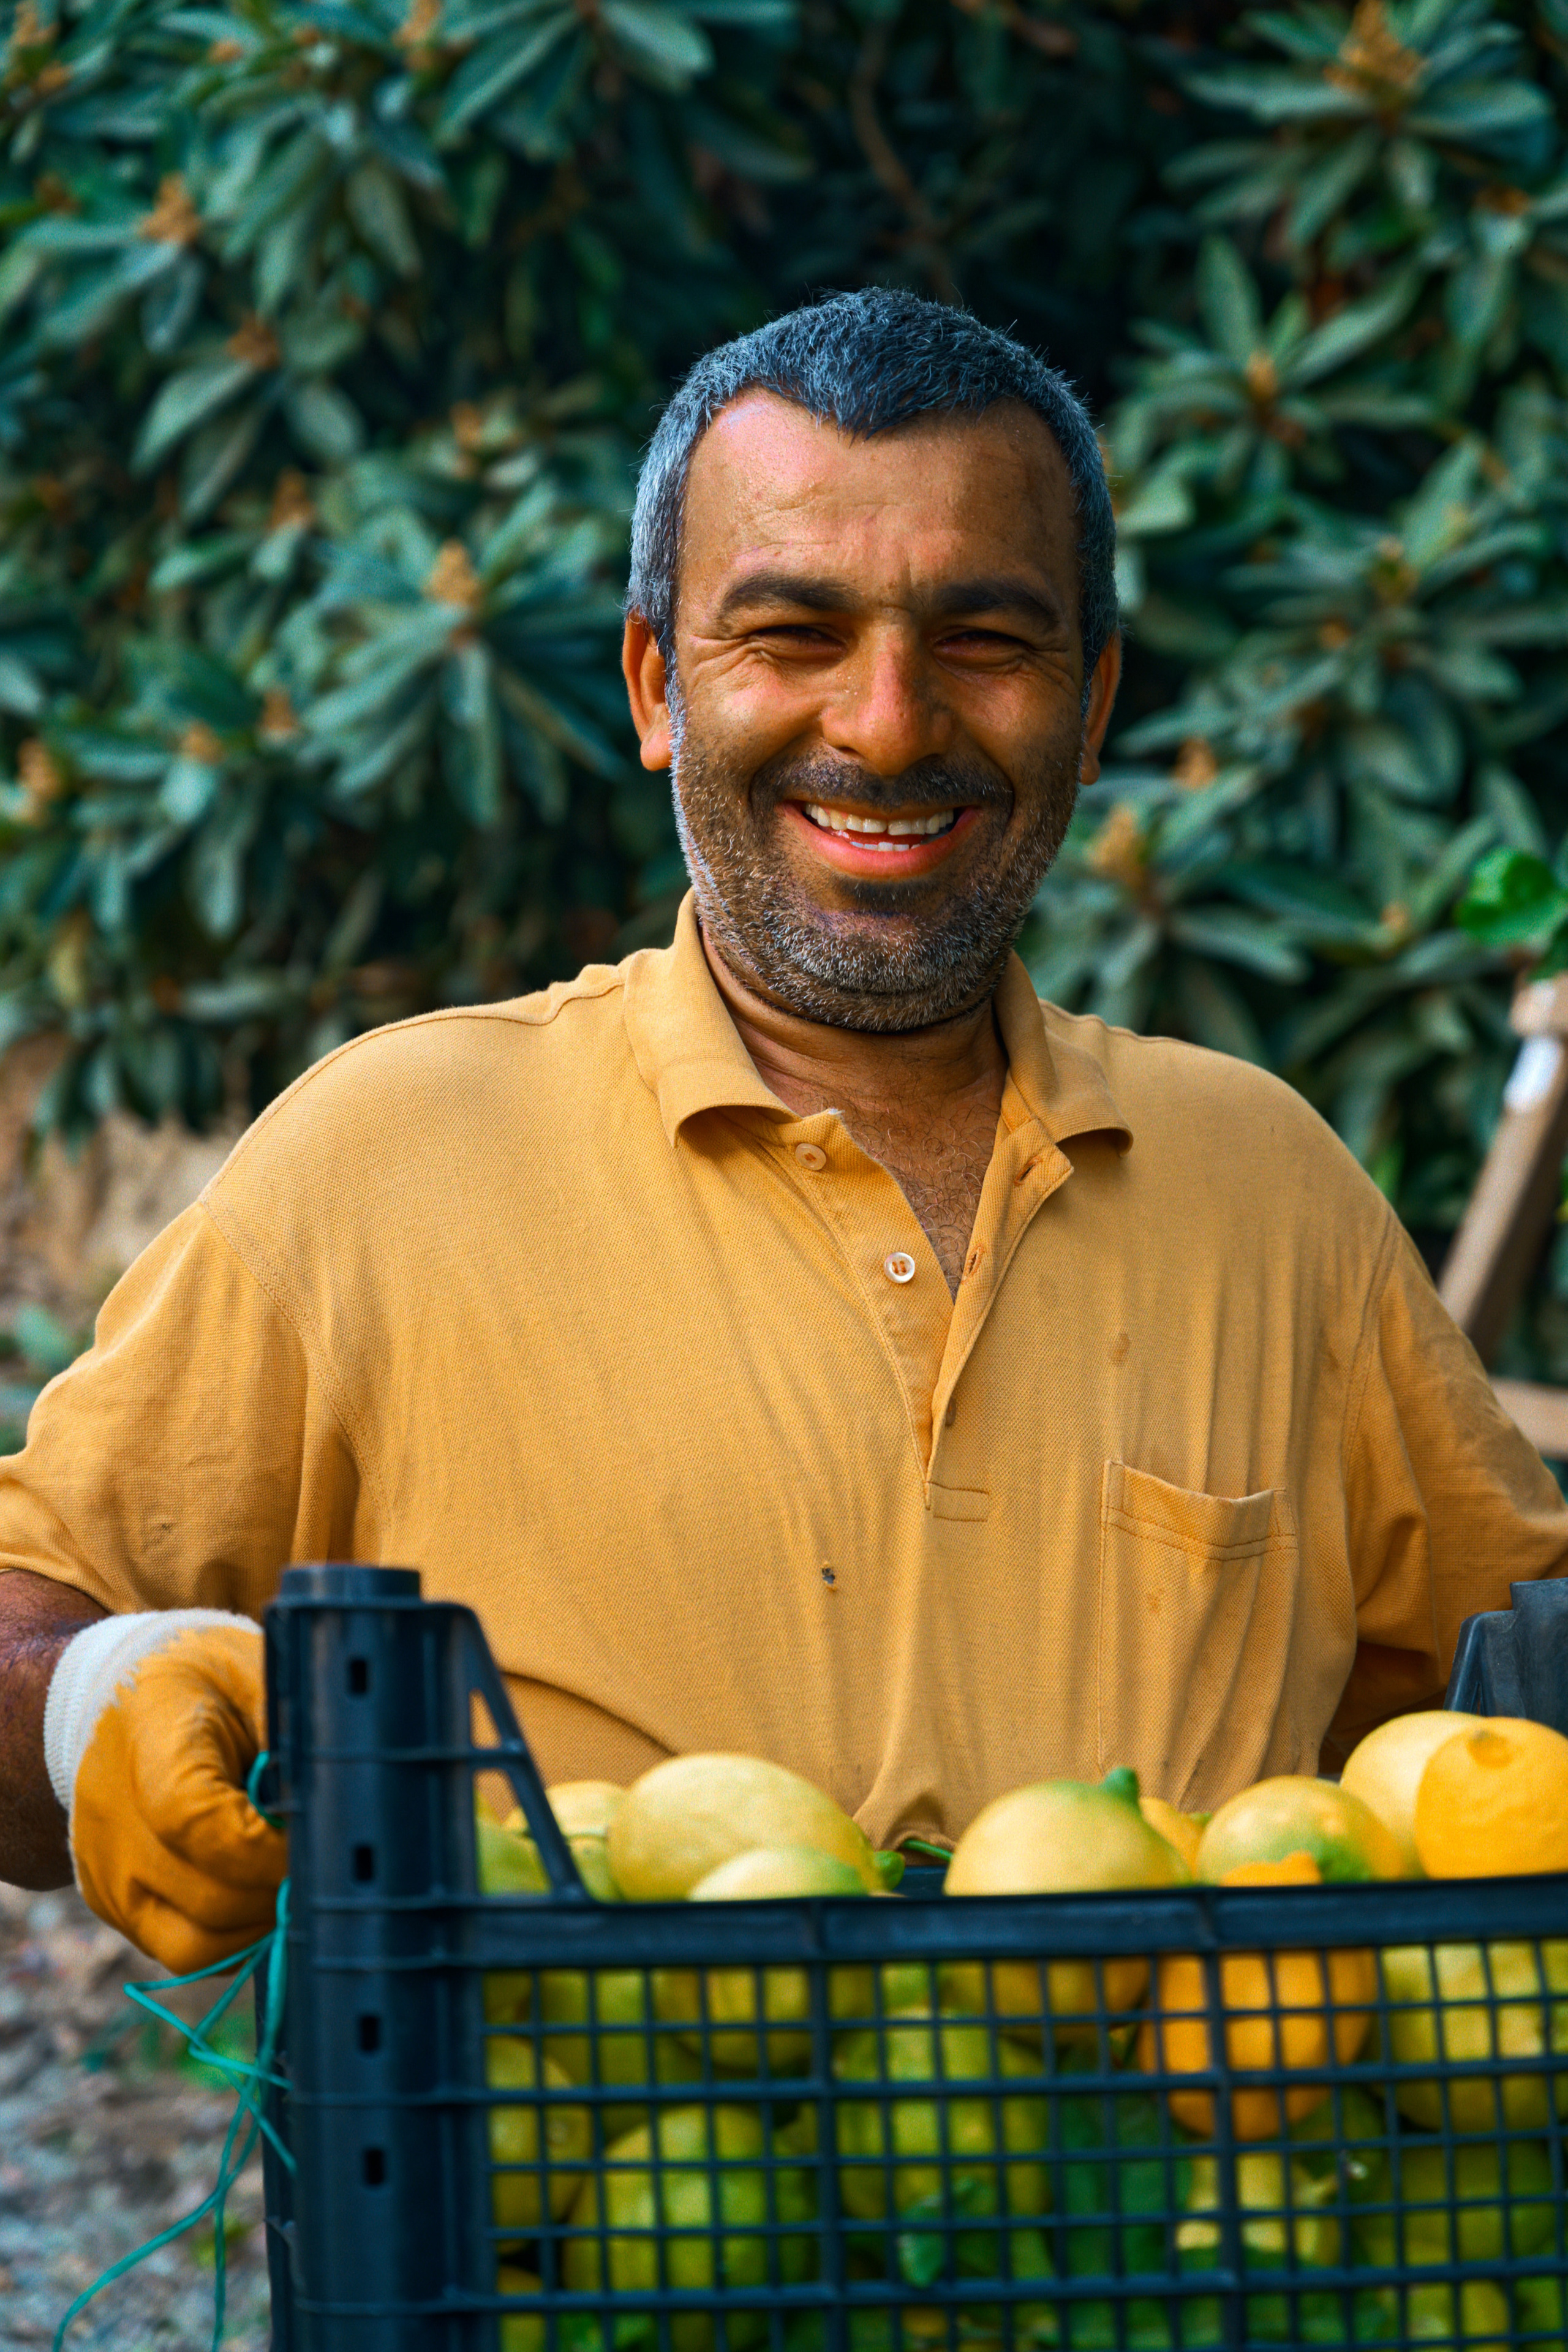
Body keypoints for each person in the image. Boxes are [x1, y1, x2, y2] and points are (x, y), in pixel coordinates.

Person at [0, 288, 1562, 1971]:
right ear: (658, 685)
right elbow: (39, 1596)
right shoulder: (388, 1158)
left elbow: (1498, 1712)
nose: (887, 724)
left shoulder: (1272, 1191)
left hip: (1172, 2214)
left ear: (1093, 699)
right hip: (567, 2212)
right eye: (793, 634)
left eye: (984, 638)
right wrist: (91, 1703)